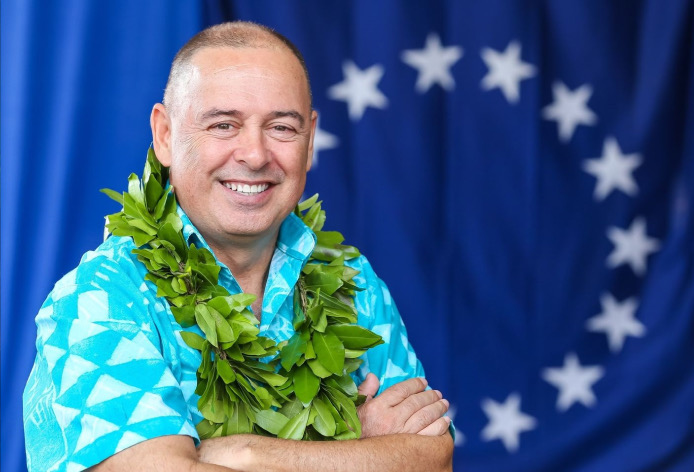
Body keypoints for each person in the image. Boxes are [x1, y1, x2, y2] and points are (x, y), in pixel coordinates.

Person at [23, 21, 454, 471]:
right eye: (224, 124)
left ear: (309, 140)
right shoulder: (101, 298)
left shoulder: (356, 282)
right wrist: (360, 447)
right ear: (165, 135)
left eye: (282, 128)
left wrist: (237, 454)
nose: (255, 154)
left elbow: (433, 458)